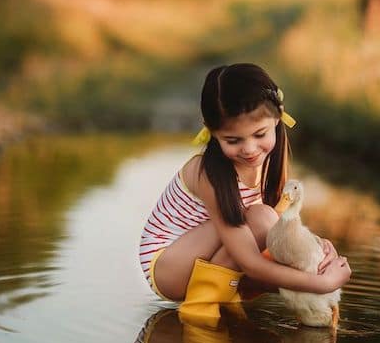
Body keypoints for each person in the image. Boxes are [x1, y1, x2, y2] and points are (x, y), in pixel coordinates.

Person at [138, 63, 351, 321]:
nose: (249, 149)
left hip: (212, 253)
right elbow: (251, 260)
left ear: (277, 116)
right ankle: (200, 308)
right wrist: (322, 284)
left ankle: (228, 303)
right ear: (212, 132)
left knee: (278, 234)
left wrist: (317, 253)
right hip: (168, 266)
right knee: (261, 221)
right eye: (233, 140)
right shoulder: (208, 173)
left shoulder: (267, 162)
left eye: (259, 134)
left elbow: (280, 227)